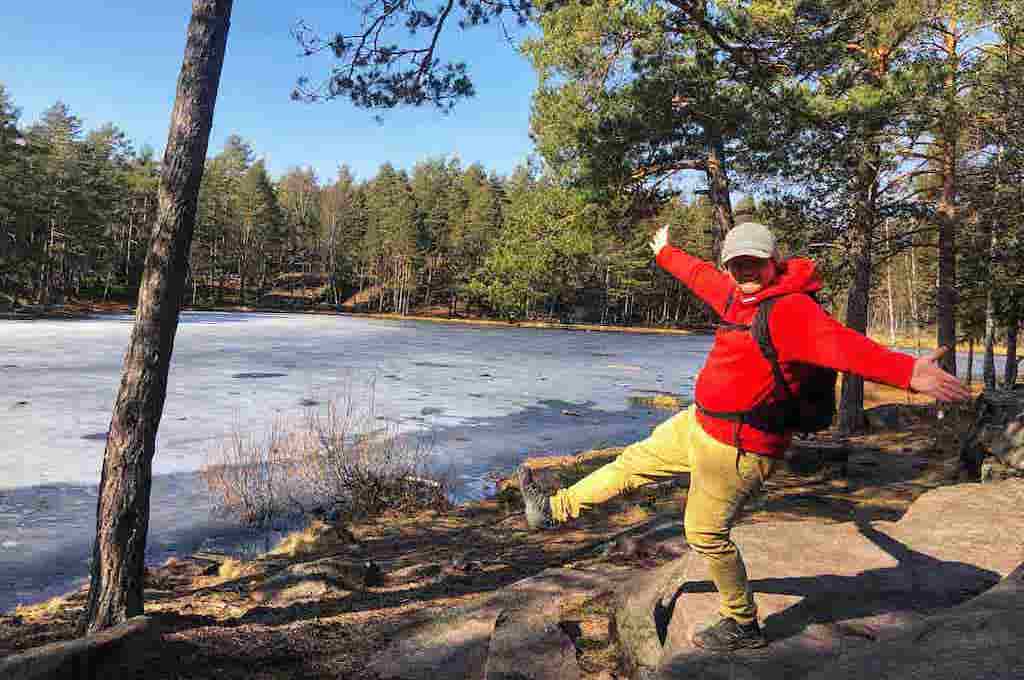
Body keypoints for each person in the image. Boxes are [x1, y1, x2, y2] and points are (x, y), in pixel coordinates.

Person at [517, 221, 970, 652]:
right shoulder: (739, 296)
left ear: (774, 261)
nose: (744, 271)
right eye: (736, 263)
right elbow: (701, 277)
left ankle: (743, 624)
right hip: (699, 423)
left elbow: (845, 347)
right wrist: (665, 253)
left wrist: (909, 373)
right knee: (630, 464)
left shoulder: (791, 309)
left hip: (740, 448)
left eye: (754, 262)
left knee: (704, 533)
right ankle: (553, 510)